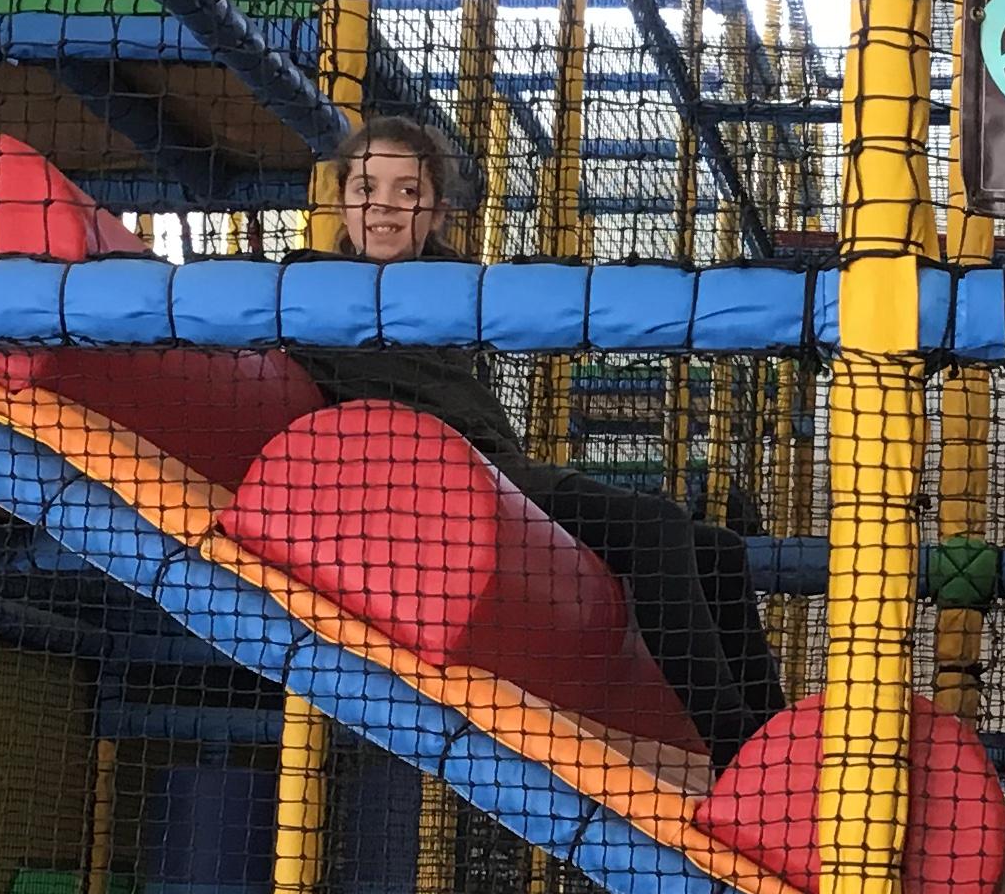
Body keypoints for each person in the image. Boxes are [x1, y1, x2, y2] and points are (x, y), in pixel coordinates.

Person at [294, 116, 787, 763]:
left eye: (406, 191)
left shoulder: (452, 285)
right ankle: (734, 747)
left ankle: (775, 740)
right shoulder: (311, 282)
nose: (383, 206)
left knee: (718, 549)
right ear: (342, 201)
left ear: (435, 212)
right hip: (441, 478)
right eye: (366, 188)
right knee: (655, 525)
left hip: (492, 469)